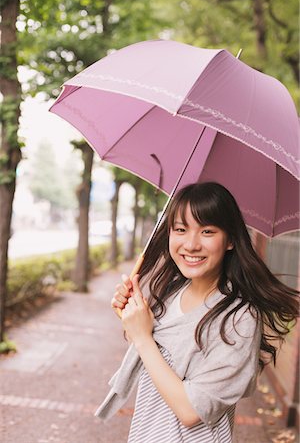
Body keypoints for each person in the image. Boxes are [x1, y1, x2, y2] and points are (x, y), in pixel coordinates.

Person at [95, 182, 299, 443]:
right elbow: (157, 355)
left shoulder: (239, 318)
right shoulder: (170, 294)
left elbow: (191, 410)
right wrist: (131, 319)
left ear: (230, 240)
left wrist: (143, 338)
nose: (191, 244)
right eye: (180, 229)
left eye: (207, 231)